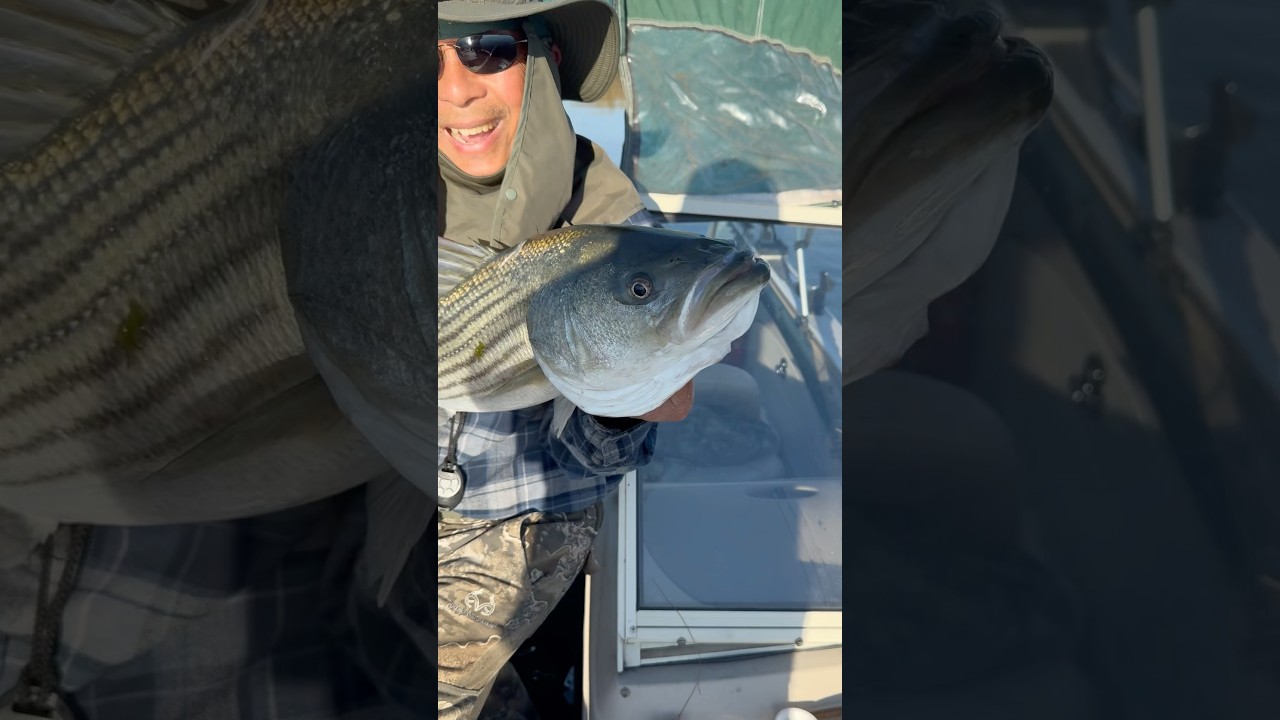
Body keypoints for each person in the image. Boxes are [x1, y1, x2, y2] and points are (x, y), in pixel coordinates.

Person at [432, 1, 693, 717]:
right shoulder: (366, 199)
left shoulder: (614, 237)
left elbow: (593, 468)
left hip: (510, 535)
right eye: (424, 59)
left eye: (487, 50)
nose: (456, 89)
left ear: (546, 57)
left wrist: (621, 409)